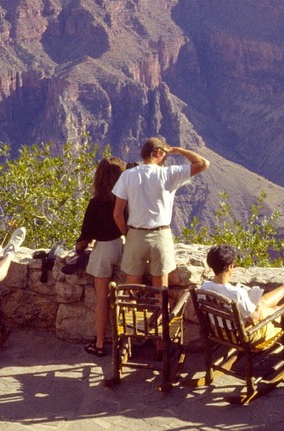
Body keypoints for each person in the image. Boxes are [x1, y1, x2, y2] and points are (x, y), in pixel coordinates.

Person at [112, 136, 209, 289]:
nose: (166, 158)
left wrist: (127, 234)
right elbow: (203, 163)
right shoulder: (169, 174)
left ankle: (131, 311)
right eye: (165, 154)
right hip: (160, 236)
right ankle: (159, 313)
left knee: (131, 291)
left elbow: (117, 214)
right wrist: (177, 150)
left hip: (135, 235)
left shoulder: (127, 175)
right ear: (157, 152)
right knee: (160, 293)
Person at [75, 156, 127, 357]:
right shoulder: (123, 201)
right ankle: (123, 341)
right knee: (123, 298)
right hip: (121, 248)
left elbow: (85, 237)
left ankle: (99, 344)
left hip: (103, 251)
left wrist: (79, 249)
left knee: (102, 301)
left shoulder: (96, 203)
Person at [200, 244, 284, 326]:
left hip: (218, 330)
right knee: (276, 309)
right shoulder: (236, 294)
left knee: (262, 301)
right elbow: (254, 319)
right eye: (234, 265)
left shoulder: (203, 288)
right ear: (230, 266)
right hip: (242, 334)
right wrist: (258, 306)